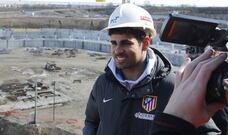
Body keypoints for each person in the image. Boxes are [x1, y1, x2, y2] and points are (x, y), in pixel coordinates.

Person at [83, 3, 220, 135]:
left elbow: (208, 131)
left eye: (126, 43)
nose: (117, 50)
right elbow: (91, 121)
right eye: (114, 43)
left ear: (145, 43)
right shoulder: (102, 83)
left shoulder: (172, 86)